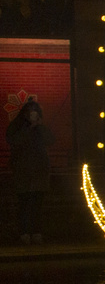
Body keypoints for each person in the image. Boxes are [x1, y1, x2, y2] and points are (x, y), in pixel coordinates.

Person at [7, 98, 51, 244]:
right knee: (24, 204)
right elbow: (14, 141)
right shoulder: (18, 127)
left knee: (37, 205)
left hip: (39, 173)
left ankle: (36, 231)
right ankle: (24, 232)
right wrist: (30, 128)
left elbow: (50, 140)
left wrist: (39, 127)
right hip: (23, 173)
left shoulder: (41, 129)